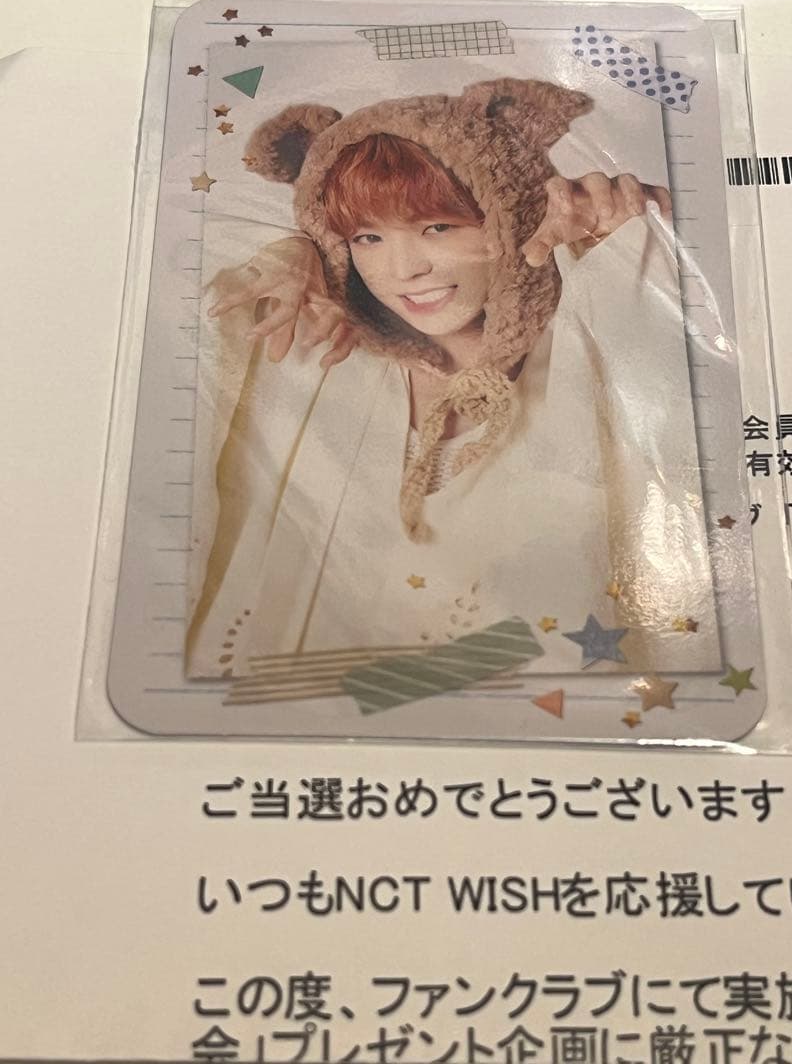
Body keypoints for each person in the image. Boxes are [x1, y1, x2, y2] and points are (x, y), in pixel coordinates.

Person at [185, 77, 721, 690]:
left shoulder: (583, 357)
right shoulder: (316, 349)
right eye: (367, 237)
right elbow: (170, 262)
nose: (404, 269)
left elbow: (679, 451)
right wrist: (286, 249)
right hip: (274, 717)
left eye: (438, 227)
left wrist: (635, 244)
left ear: (512, 213)